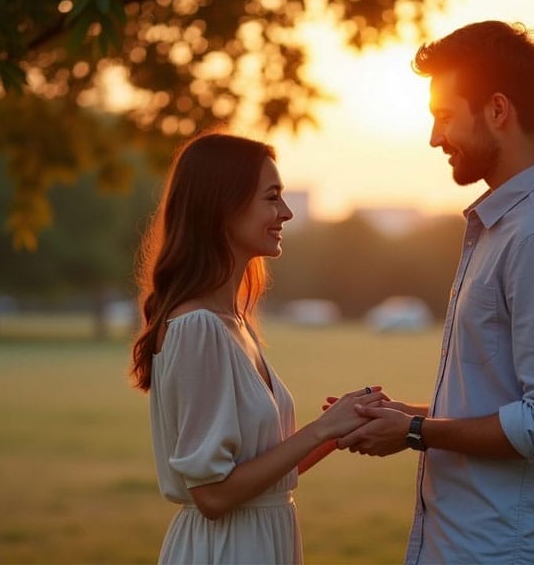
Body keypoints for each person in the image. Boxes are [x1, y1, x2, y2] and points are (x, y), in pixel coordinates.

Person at [336, 21, 534, 564]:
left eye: (444, 117)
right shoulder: (506, 227)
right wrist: (403, 415)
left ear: (497, 111)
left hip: (504, 551)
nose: (435, 138)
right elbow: (502, 405)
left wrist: (415, 430)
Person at [130, 132, 384, 565]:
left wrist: (334, 429)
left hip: (262, 542)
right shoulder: (198, 329)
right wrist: (319, 430)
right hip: (225, 549)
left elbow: (261, 478)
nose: (285, 213)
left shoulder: (236, 324)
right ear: (222, 206)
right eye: (272, 198)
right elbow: (212, 495)